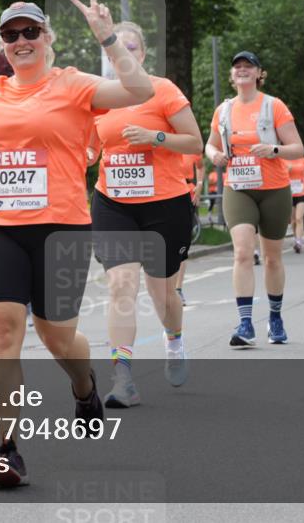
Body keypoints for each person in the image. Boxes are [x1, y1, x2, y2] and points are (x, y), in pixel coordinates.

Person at [0, 0, 155, 487]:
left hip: (60, 228)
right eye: (11, 34)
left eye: (30, 32)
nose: (21, 40)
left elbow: (140, 92)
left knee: (57, 335)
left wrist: (108, 37)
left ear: (47, 38)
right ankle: (6, 450)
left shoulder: (75, 85)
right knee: (3, 333)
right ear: (2, 46)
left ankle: (84, 386)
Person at [89, 21, 203, 407]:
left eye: (133, 48)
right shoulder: (99, 98)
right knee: (121, 285)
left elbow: (195, 141)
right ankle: (123, 378)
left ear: (142, 53)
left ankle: (174, 339)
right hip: (113, 203)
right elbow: (87, 147)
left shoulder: (163, 90)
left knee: (163, 295)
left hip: (165, 205)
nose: (125, 54)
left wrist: (155, 137)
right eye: (117, 49)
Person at [205, 51, 304, 348]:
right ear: (232, 76)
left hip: (273, 189)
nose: (242, 70)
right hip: (238, 187)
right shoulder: (223, 111)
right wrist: (216, 156)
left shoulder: (274, 106)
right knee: (243, 253)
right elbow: (209, 146)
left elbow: (297, 148)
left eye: (249, 67)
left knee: (273, 257)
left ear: (260, 74)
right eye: (237, 67)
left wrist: (273, 150)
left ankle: (275, 318)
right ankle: (245, 323)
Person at [174, 152, 204, 306]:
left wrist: (199, 184)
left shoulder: (190, 145)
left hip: (186, 193)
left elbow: (200, 165)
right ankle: (164, 289)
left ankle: (177, 289)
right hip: (163, 194)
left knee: (181, 244)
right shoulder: (161, 141)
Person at [287, 154, 304, 253]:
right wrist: (286, 170)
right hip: (290, 193)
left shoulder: (303, 160)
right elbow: (279, 175)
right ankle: (296, 238)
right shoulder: (283, 160)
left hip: (303, 191)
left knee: (299, 218)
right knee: (293, 221)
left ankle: (299, 242)